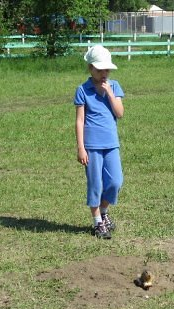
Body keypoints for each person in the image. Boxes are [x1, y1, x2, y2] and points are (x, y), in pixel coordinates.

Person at [74, 45, 125, 239]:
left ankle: (104, 212)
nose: (104, 73)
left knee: (115, 182)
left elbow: (119, 113)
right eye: (99, 70)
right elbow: (79, 120)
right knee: (95, 184)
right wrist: (81, 148)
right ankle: (97, 222)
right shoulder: (82, 90)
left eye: (107, 70)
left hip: (111, 143)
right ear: (90, 69)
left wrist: (110, 94)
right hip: (92, 145)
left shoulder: (115, 86)